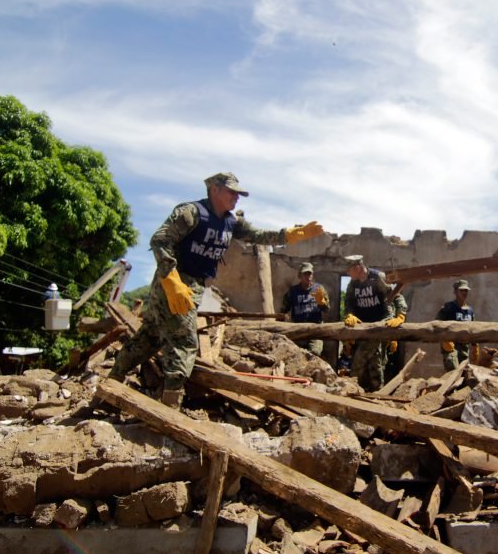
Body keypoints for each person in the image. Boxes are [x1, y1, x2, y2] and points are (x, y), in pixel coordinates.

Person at [110, 172, 323, 408]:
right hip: (174, 284)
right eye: (232, 192)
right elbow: (159, 240)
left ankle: (111, 384)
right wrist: (170, 279)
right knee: (185, 342)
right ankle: (169, 407)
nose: (237, 197)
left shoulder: (231, 223)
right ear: (214, 189)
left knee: (150, 336)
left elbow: (257, 235)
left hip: (195, 285)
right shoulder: (191, 213)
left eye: (239, 194)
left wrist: (289, 234)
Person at [342, 255, 407, 391]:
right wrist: (349, 314)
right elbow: (349, 302)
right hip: (364, 324)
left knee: (361, 357)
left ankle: (352, 384)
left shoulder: (377, 277)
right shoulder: (353, 283)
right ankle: (377, 390)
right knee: (374, 358)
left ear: (358, 268)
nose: (347, 273)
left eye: (349, 270)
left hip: (382, 320)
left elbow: (396, 295)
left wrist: (400, 315)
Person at [280, 262, 330, 357]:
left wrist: (322, 303)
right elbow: (283, 310)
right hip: (298, 329)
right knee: (296, 355)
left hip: (315, 329)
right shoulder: (293, 291)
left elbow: (327, 309)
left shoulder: (319, 289)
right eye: (305, 274)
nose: (308, 277)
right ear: (300, 276)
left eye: (310, 273)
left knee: (314, 353)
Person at [436, 279, 475, 371]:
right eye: (461, 290)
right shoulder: (448, 307)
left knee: (464, 373)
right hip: (451, 347)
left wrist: (475, 345)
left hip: (464, 348)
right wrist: (445, 340)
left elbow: (473, 328)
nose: (464, 293)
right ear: (455, 291)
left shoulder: (470, 310)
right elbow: (437, 324)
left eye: (466, 290)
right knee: (453, 371)